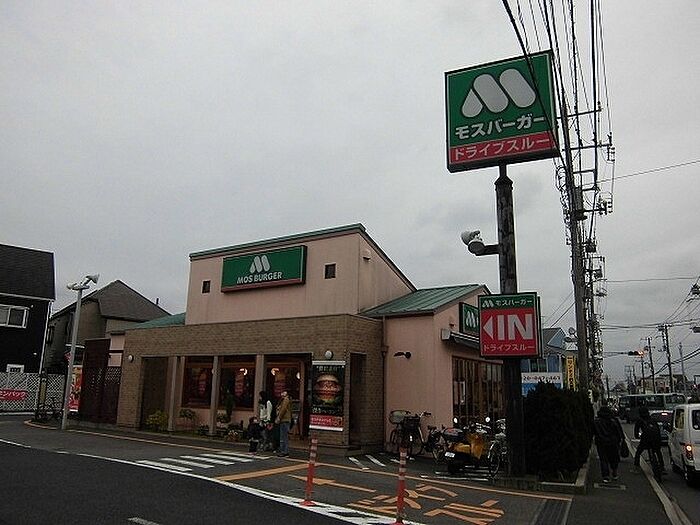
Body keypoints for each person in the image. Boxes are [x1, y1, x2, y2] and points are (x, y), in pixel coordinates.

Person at [593, 403, 623, 482]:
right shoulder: (613, 421)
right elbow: (618, 432)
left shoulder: (597, 421)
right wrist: (619, 441)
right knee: (614, 458)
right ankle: (614, 473)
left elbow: (594, 432)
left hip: (601, 442)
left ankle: (605, 476)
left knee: (603, 459)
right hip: (613, 442)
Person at [633, 406, 664, 473]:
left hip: (646, 439)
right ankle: (662, 466)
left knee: (638, 452)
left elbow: (636, 430)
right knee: (658, 452)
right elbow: (658, 429)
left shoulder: (640, 420)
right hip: (656, 438)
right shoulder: (652, 419)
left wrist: (637, 436)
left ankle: (636, 467)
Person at [275, 390, 292, 457]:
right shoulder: (283, 400)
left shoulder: (286, 399)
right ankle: (284, 451)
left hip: (284, 420)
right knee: (284, 436)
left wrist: (279, 417)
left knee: (283, 436)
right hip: (285, 420)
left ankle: (284, 451)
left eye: (283, 392)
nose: (282, 393)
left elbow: (283, 409)